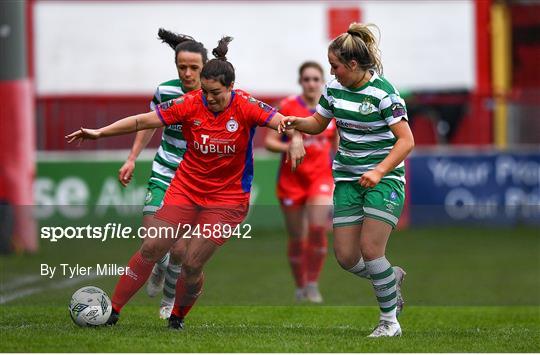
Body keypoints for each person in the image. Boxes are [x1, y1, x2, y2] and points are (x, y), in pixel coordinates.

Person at [66, 36, 305, 330]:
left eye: (215, 92)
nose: (209, 98)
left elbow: (286, 121)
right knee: (152, 247)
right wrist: (99, 133)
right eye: (205, 91)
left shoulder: (246, 106)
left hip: (228, 200)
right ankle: (112, 311)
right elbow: (143, 121)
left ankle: (177, 316)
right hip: (187, 188)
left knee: (191, 263)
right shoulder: (190, 103)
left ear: (231, 87)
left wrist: (295, 139)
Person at [279, 23, 414, 337]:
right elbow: (317, 122)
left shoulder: (384, 92)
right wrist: (294, 122)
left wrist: (380, 170)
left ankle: (389, 323)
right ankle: (389, 277)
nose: (332, 72)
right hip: (347, 180)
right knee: (345, 257)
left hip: (384, 179)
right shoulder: (333, 89)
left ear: (353, 65)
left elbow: (406, 141)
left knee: (370, 250)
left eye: (335, 66)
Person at [116, 28, 207, 319]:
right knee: (152, 240)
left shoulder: (214, 96)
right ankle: (158, 262)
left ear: (205, 68)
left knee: (180, 251)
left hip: (194, 180)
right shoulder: (165, 91)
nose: (188, 73)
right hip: (165, 171)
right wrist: (131, 159)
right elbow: (148, 124)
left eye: (194, 68)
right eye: (183, 67)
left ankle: (168, 300)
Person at [265, 61, 336, 303]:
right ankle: (300, 285)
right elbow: (269, 142)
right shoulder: (287, 106)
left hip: (320, 178)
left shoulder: (330, 108)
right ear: (300, 82)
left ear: (322, 81)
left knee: (317, 229)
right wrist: (292, 145)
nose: (311, 83)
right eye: (306, 79)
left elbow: (336, 143)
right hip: (291, 180)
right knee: (297, 237)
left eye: (316, 79)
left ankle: (313, 284)